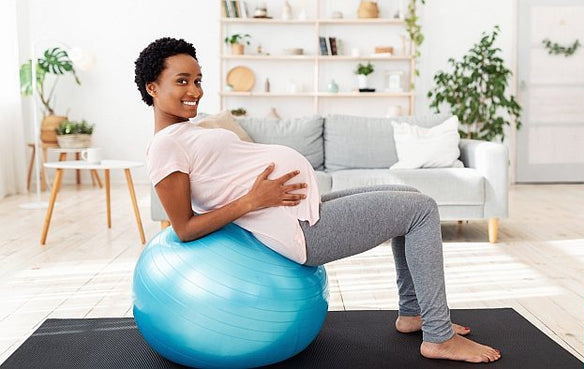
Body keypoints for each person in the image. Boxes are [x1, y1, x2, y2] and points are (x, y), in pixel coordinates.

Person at [134, 37, 501, 363]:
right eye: (181, 81)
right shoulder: (165, 146)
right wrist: (252, 200)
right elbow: (183, 227)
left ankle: (413, 313)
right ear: (153, 87)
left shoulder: (185, 132)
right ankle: (439, 337)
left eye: (198, 81)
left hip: (299, 211)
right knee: (422, 211)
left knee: (413, 197)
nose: (194, 91)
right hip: (296, 231)